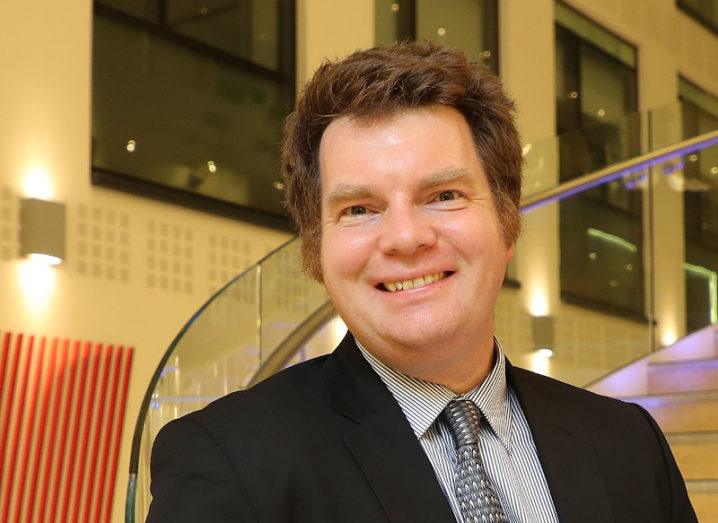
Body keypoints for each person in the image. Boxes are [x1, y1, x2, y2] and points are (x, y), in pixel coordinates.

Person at [146, 41, 697, 523]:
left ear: (506, 223)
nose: (405, 238)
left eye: (444, 196)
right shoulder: (227, 459)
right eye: (360, 209)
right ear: (315, 251)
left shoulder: (629, 444)